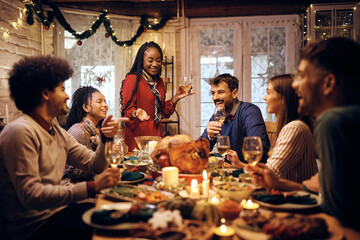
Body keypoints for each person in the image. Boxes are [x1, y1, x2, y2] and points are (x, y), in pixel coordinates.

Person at [0, 55, 128, 240]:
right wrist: (92, 186)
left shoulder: (56, 131)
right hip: (34, 228)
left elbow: (95, 165)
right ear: (45, 93)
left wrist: (106, 139)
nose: (68, 96)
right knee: (114, 231)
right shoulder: (20, 132)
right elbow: (32, 194)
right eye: (62, 89)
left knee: (123, 213)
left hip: (58, 212)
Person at [248, 37, 360, 231]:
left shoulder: (333, 121)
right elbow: (327, 197)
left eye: (301, 76)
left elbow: (338, 212)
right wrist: (280, 183)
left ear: (329, 83)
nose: (294, 85)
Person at [228, 74, 317, 183]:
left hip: (296, 197)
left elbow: (269, 174)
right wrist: (241, 165)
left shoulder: (294, 128)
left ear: (283, 99)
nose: (264, 97)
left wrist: (239, 169)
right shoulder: (291, 126)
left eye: (269, 93)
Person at [120, 41, 193, 150]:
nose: (155, 64)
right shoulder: (133, 79)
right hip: (137, 138)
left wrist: (176, 97)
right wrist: (136, 112)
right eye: (150, 60)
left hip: (156, 137)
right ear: (141, 60)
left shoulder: (159, 82)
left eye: (158, 60)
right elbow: (127, 110)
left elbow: (162, 112)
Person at [200, 73, 270, 163]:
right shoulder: (218, 115)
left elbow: (259, 148)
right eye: (213, 93)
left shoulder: (249, 111)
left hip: (249, 171)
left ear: (234, 93)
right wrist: (209, 136)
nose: (215, 97)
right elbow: (199, 150)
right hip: (228, 169)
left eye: (220, 92)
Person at [64, 86, 108, 183]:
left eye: (105, 101)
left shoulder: (98, 131)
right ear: (86, 107)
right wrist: (104, 164)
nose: (105, 105)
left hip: (93, 182)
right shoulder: (78, 131)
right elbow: (73, 172)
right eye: (99, 101)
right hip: (73, 187)